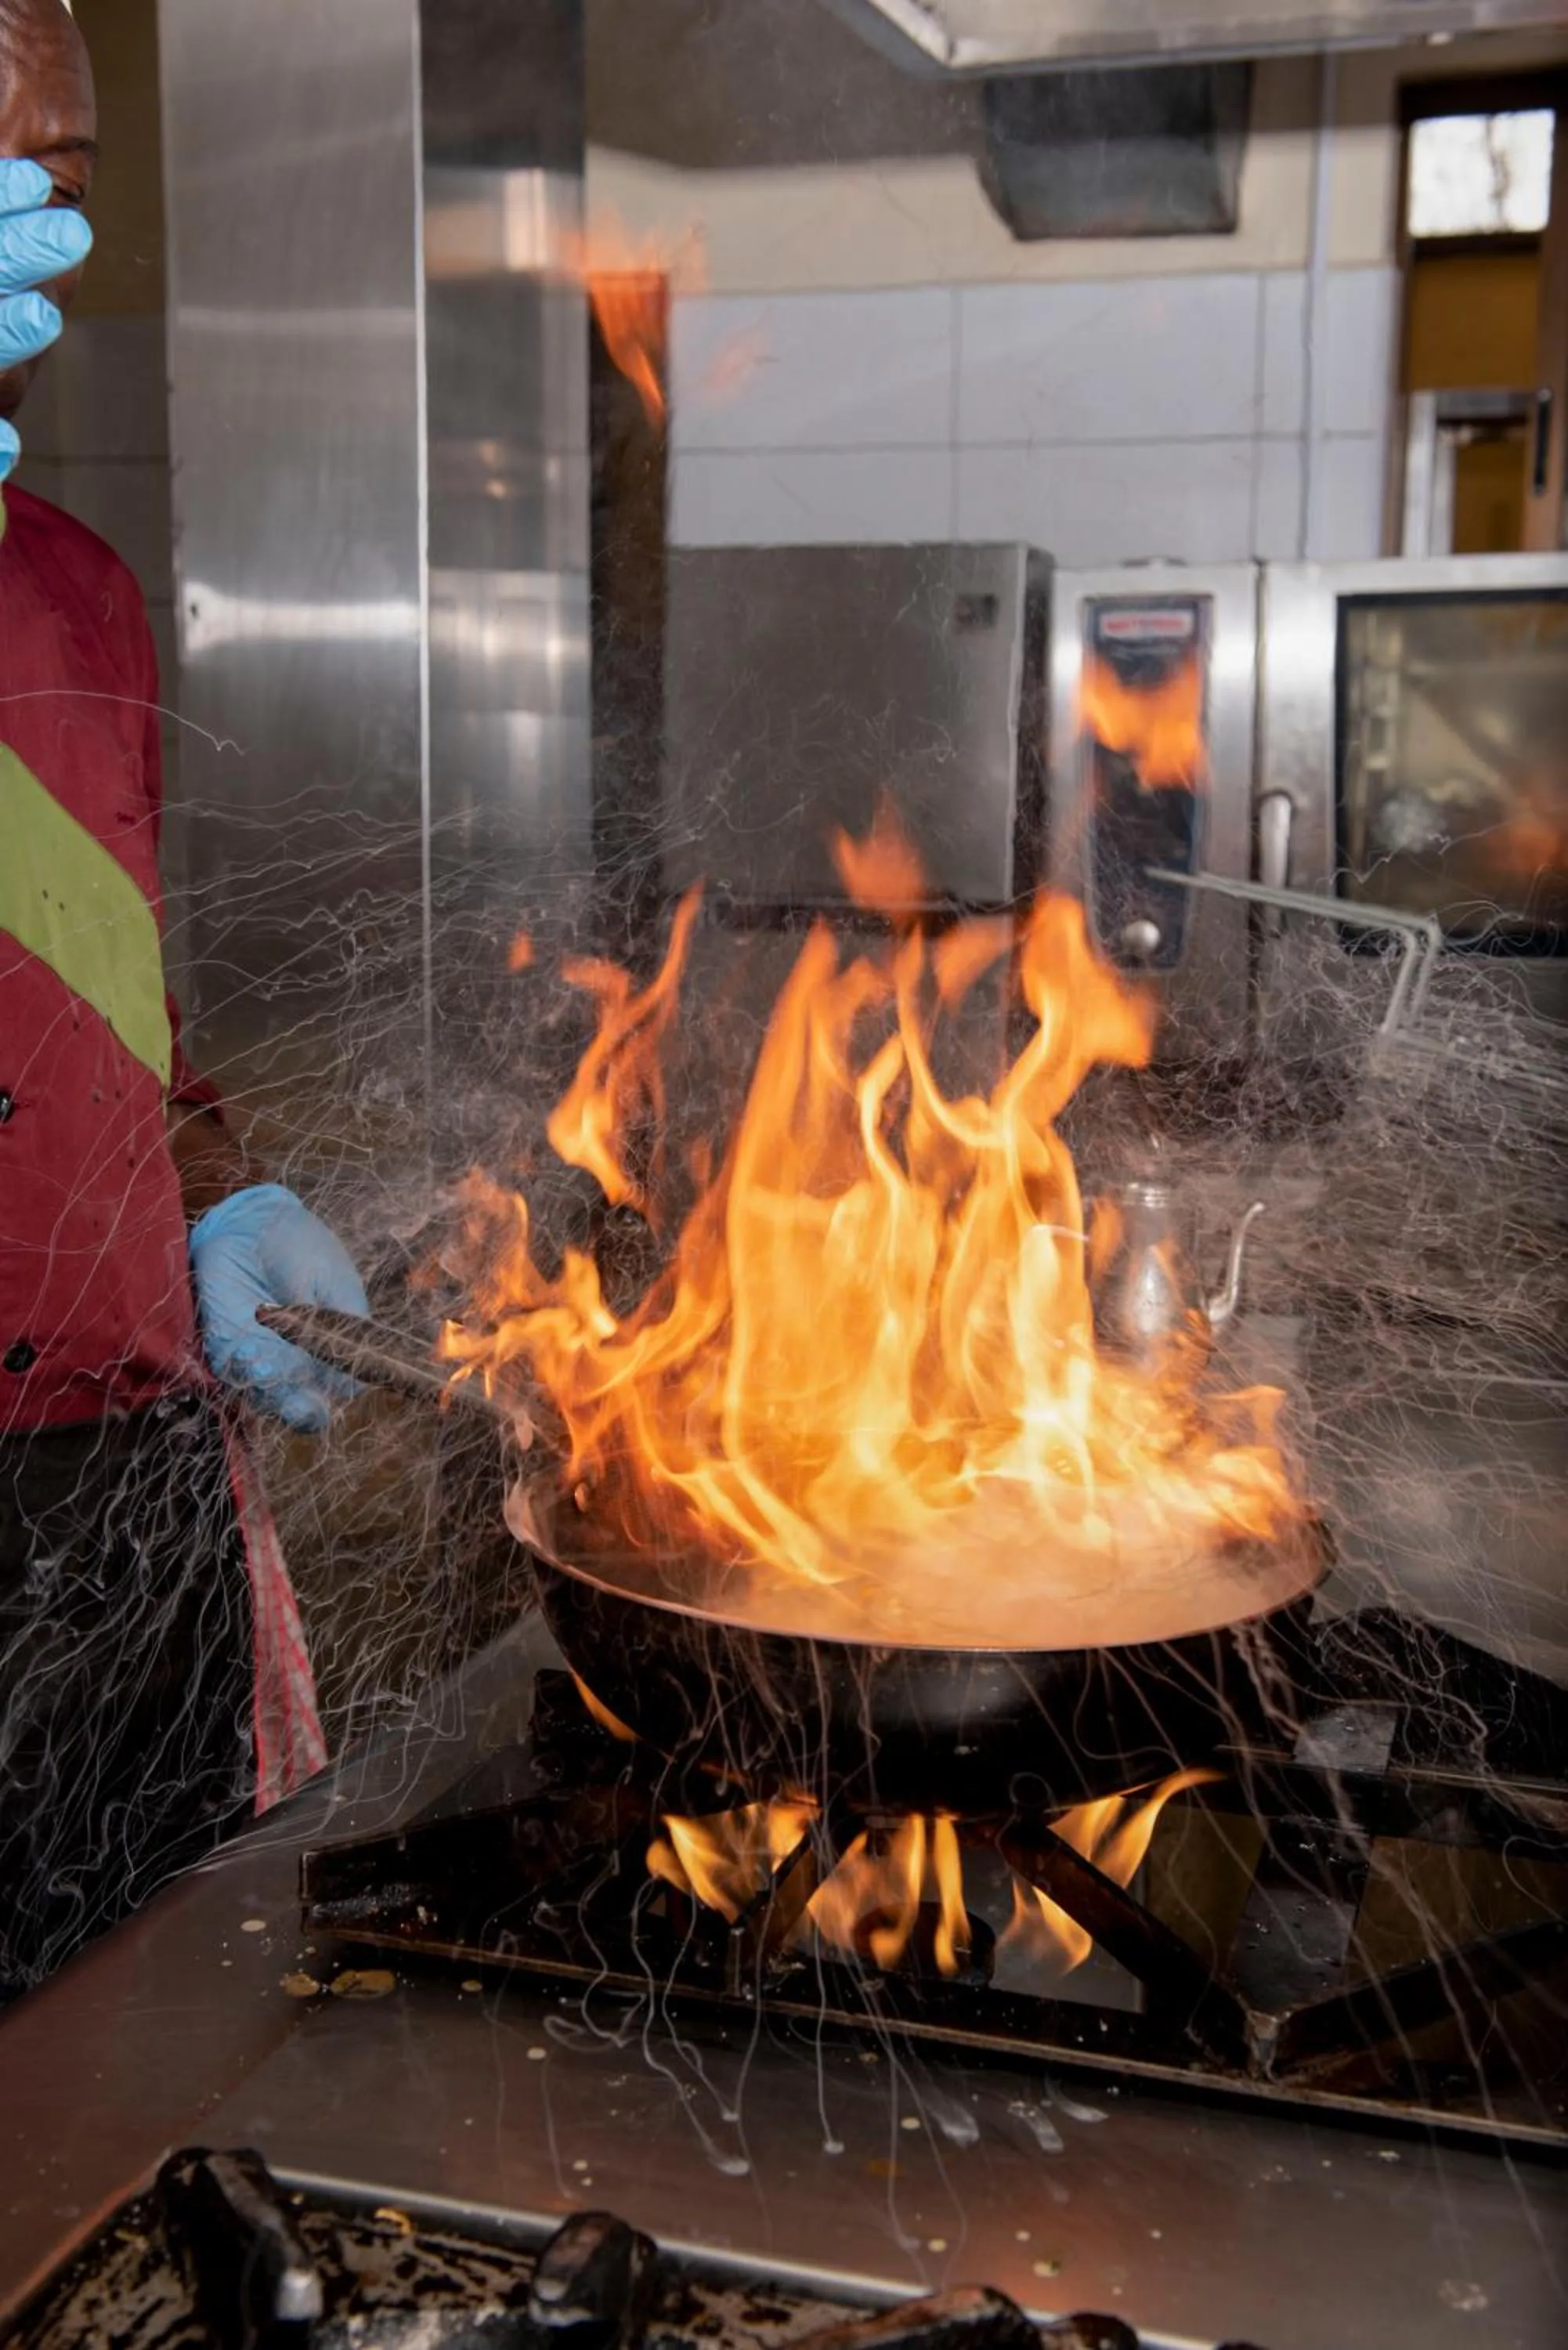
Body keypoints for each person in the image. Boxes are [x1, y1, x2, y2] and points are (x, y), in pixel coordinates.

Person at [1, 0, 367, 2000]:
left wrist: (206, 1190)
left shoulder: (69, 585)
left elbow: (103, 997)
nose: (44, 195)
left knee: (142, 2061)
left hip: (124, 1493)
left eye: (61, 163)